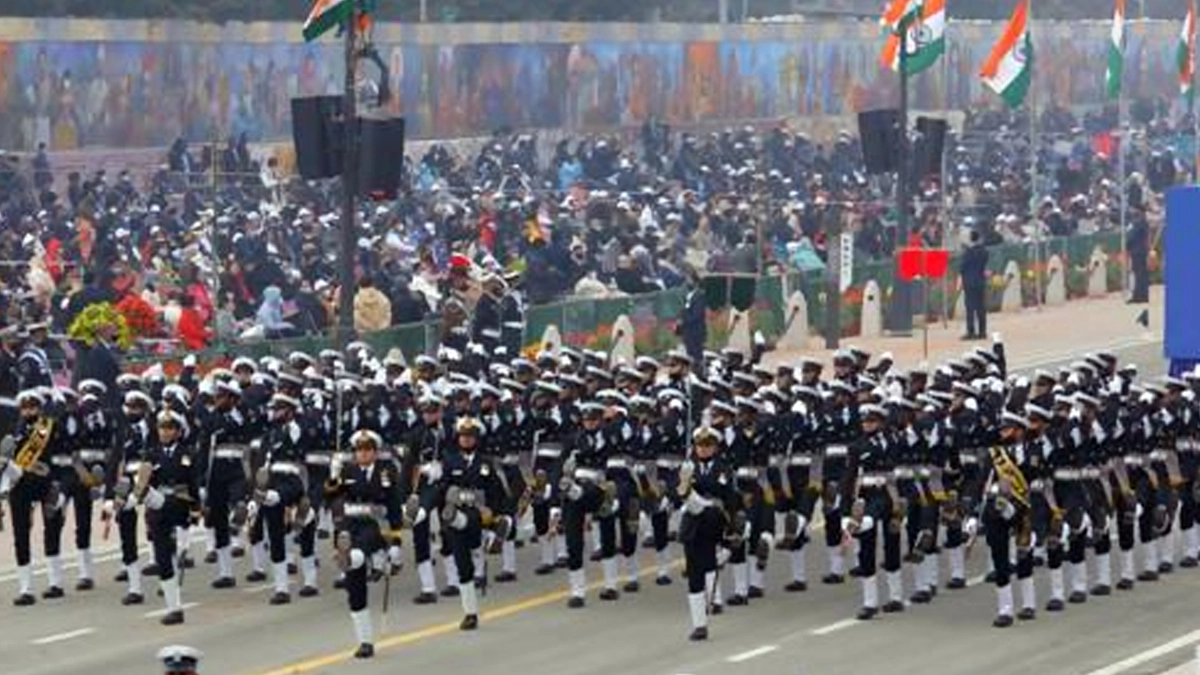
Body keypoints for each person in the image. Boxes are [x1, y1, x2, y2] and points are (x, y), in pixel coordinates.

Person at [324, 429, 404, 659]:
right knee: (355, 589)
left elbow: (394, 506)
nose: (363, 454)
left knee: (360, 548)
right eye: (359, 450)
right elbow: (329, 495)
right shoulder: (348, 471)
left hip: (375, 524)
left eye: (368, 450)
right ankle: (365, 641)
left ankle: (353, 557)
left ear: (375, 452)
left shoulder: (385, 472)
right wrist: (333, 475)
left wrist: (396, 540)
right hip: (350, 524)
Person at [677, 426, 736, 641]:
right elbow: (678, 495)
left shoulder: (723, 468)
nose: (703, 449)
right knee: (694, 573)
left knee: (709, 562)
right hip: (693, 522)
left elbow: (725, 493)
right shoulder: (688, 466)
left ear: (715, 447)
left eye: (707, 445)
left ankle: (714, 599)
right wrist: (686, 486)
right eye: (699, 445)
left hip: (714, 518)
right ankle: (699, 624)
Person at [145, 410, 199, 625]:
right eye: (162, 428)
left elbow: (192, 482)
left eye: (169, 429)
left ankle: (175, 605)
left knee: (173, 549)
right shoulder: (151, 454)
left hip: (179, 503)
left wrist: (196, 507)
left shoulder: (186, 454)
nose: (165, 432)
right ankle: (174, 608)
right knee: (162, 558)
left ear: (177, 432)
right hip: (158, 507)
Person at [959, 229, 989, 341]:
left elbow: (962, 267)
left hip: (969, 282)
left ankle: (971, 331)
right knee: (981, 307)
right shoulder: (984, 251)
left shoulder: (968, 252)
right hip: (980, 280)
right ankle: (982, 331)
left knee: (970, 308)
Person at [1126, 208, 1150, 304]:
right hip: (1142, 251)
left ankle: (1139, 296)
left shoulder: (1138, 223)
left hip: (1137, 252)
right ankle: (1143, 295)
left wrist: (1127, 245)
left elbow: (1132, 237)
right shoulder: (1144, 223)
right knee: (1142, 274)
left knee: (1138, 274)